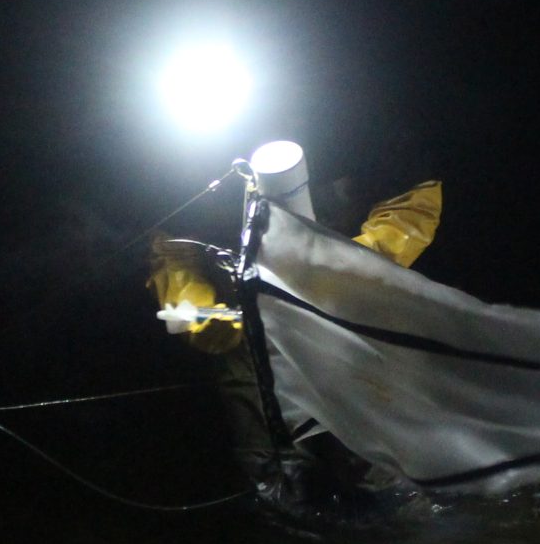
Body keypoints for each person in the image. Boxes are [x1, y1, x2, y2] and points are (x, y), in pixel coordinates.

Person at [150, 149, 443, 507]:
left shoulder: (352, 129)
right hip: (247, 343)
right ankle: (297, 538)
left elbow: (414, 199)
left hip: (344, 325)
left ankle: (408, 532)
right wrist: (206, 315)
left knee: (377, 461)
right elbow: (174, 250)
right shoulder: (188, 158)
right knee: (277, 478)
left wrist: (346, 266)